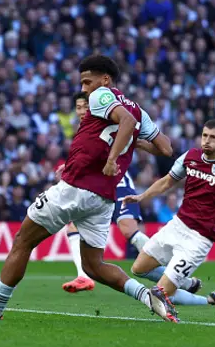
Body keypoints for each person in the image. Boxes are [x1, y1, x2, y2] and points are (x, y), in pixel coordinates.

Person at [0, 55, 175, 322]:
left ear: (105, 80)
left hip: (76, 187)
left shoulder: (101, 95)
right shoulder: (140, 110)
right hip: (103, 199)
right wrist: (133, 143)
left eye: (88, 81)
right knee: (93, 266)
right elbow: (165, 147)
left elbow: (127, 122)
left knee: (22, 241)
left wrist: (111, 159)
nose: (84, 89)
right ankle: (147, 295)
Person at [123, 119, 215, 322]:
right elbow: (167, 182)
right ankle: (186, 283)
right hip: (177, 226)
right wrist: (142, 196)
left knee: (159, 291)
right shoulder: (190, 156)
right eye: (204, 135)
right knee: (138, 268)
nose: (207, 141)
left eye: (213, 137)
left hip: (199, 239)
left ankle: (180, 305)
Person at [60, 92, 189, 294]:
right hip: (92, 186)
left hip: (117, 181)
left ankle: (177, 275)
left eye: (85, 106)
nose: (82, 111)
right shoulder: (83, 128)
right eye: (78, 107)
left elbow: (157, 147)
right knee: (73, 226)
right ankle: (83, 276)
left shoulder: (110, 117)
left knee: (128, 230)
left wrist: (138, 143)